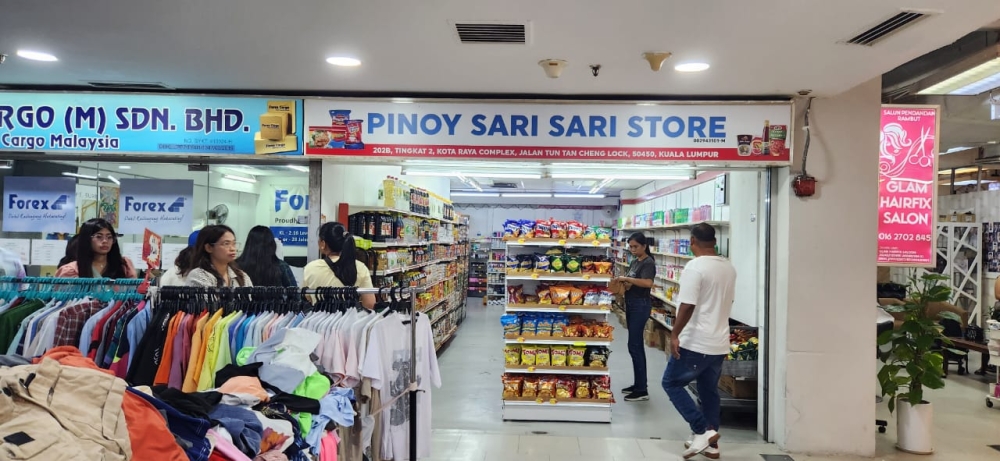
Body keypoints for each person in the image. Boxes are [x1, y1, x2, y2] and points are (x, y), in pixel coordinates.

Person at [663, 224, 736, 459]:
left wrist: (675, 334)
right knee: (708, 391)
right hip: (719, 342)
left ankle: (702, 430)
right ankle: (712, 444)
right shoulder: (728, 267)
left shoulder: (695, 267)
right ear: (714, 242)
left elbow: (687, 305)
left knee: (671, 383)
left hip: (696, 342)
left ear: (692, 241)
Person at [613, 232, 657, 402]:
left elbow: (648, 283)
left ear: (644, 246)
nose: (632, 249)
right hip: (632, 304)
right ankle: (638, 384)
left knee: (635, 345)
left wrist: (626, 278)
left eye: (635, 246)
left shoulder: (648, 262)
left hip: (640, 306)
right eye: (630, 246)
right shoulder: (634, 261)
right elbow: (634, 280)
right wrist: (625, 284)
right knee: (633, 346)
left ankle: (642, 390)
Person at [303, 222, 375, 309]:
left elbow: (308, 298)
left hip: (319, 316)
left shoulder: (311, 268)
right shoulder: (360, 267)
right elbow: (370, 304)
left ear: (323, 244)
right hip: (350, 316)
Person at [55, 218, 136, 278]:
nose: (105, 241)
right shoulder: (71, 270)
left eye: (109, 237)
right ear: (87, 239)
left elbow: (133, 293)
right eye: (99, 237)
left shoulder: (124, 265)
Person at [184, 225, 252, 288]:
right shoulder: (198, 275)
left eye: (234, 243)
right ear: (209, 248)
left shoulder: (241, 276)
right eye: (226, 244)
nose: (232, 248)